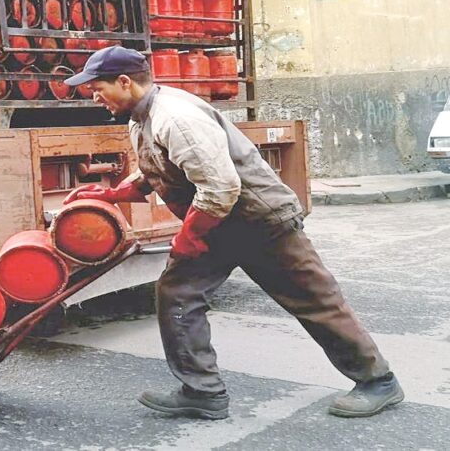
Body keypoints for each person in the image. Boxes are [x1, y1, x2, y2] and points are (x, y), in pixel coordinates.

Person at [61, 46, 403, 420]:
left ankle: (379, 382)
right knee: (177, 294)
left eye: (97, 88)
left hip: (261, 220)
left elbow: (221, 187)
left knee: (314, 300)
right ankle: (202, 392)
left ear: (125, 82)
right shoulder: (140, 117)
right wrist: (115, 192)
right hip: (218, 222)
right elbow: (161, 166)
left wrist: (187, 239)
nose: (94, 97)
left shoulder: (176, 117)